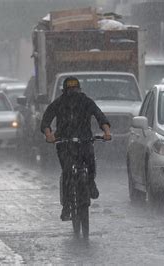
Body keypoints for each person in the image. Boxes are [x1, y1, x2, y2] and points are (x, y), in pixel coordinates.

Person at [41, 76, 112, 221]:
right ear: (65, 91)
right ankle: (67, 206)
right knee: (67, 171)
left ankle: (90, 183)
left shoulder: (86, 102)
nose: (73, 92)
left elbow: (100, 117)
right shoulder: (59, 103)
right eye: (70, 89)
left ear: (79, 89)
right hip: (65, 142)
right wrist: (49, 134)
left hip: (84, 140)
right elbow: (46, 119)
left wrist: (107, 132)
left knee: (90, 162)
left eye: (75, 89)